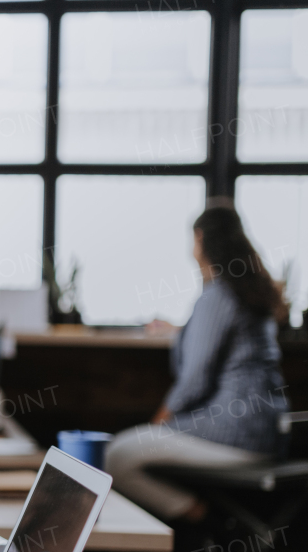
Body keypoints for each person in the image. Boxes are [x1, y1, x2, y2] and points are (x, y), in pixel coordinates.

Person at [106, 205, 288, 524]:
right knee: (131, 449)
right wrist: (181, 330)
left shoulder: (218, 295)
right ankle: (205, 517)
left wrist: (158, 422)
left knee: (115, 455)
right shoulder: (252, 292)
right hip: (269, 432)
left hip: (235, 431)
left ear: (201, 239)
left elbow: (194, 381)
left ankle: (204, 517)